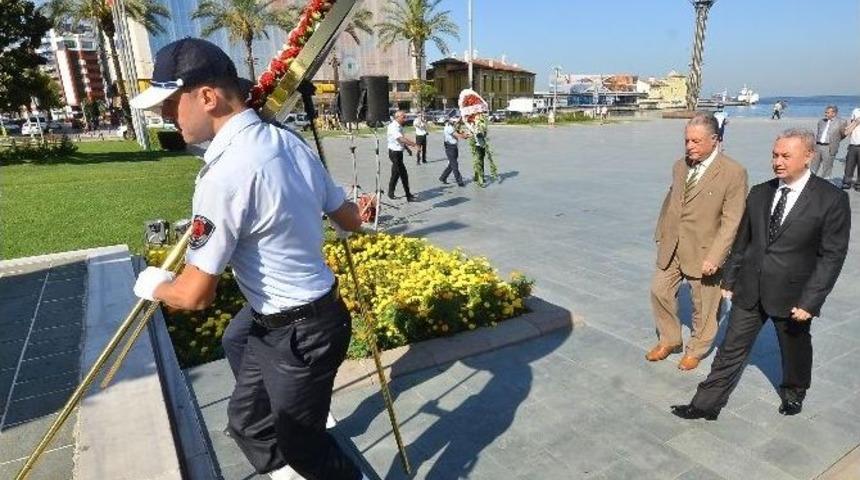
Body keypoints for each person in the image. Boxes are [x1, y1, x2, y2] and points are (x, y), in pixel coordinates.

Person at [128, 38, 366, 480]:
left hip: (300, 332)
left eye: (170, 104)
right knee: (247, 418)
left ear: (207, 97)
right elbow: (348, 218)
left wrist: (154, 285)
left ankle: (308, 449)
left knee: (304, 448)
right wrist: (354, 215)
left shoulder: (225, 174)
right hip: (294, 317)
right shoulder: (288, 141)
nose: (163, 116)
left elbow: (194, 295)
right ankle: (292, 443)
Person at [671, 129, 851, 420]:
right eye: (774, 155)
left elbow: (832, 256)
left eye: (786, 156)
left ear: (808, 156)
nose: (777, 162)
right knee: (730, 349)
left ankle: (794, 390)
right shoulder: (760, 192)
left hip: (793, 295)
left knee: (794, 348)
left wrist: (810, 301)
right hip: (750, 288)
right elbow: (743, 241)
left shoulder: (831, 199)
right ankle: (705, 405)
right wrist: (730, 279)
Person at [648, 113, 748, 371]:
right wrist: (661, 232)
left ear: (714, 140)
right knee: (659, 291)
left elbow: (732, 220)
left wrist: (716, 256)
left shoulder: (733, 172)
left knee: (704, 306)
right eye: (687, 140)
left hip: (705, 251)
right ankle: (670, 339)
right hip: (672, 245)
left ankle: (696, 349)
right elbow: (671, 200)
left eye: (696, 141)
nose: (689, 146)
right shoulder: (680, 166)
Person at [387, 110, 418, 201]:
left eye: (405, 117)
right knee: (404, 175)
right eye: (403, 117)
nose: (405, 119)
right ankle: (408, 195)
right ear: (397, 117)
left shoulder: (399, 126)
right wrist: (414, 145)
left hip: (398, 153)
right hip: (394, 154)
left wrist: (408, 149)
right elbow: (401, 139)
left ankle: (390, 193)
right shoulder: (393, 127)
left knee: (395, 174)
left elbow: (400, 141)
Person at [810, 105, 847, 181]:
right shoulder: (821, 121)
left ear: (834, 113)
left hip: (829, 147)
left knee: (827, 168)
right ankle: (810, 181)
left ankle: (825, 183)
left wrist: (835, 141)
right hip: (818, 146)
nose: (825, 114)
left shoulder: (841, 122)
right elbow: (819, 133)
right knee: (813, 166)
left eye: (827, 112)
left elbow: (843, 135)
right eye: (825, 112)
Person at [439, 116, 468, 186]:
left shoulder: (451, 126)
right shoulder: (449, 128)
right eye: (454, 121)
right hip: (450, 148)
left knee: (451, 165)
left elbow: (458, 124)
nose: (456, 123)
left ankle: (443, 177)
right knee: (455, 165)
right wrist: (466, 136)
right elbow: (458, 135)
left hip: (454, 147)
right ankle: (459, 181)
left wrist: (462, 117)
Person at [841, 107, 860, 191]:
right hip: (853, 144)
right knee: (849, 164)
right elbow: (848, 128)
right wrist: (856, 122)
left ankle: (858, 184)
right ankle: (847, 182)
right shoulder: (856, 110)